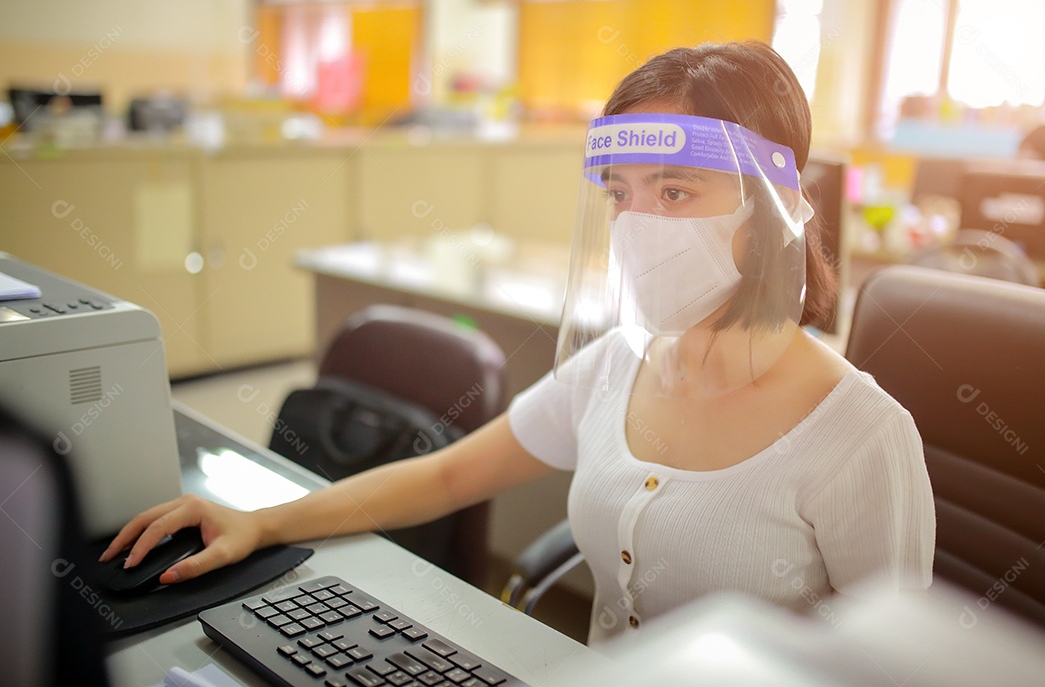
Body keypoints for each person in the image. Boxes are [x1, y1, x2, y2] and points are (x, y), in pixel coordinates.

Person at [102, 42, 935, 644]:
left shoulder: (860, 435)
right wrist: (262, 522)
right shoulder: (618, 365)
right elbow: (450, 471)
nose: (639, 227)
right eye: (621, 194)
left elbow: (900, 668)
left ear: (771, 208)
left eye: (675, 191)